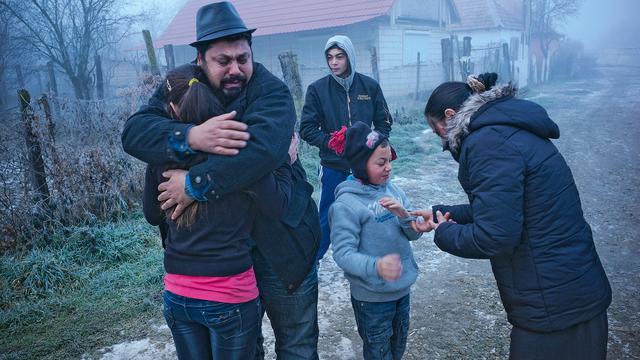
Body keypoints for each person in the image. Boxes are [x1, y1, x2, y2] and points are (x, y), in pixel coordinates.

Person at [121, 2, 320, 359]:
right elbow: (135, 133)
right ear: (200, 60)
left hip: (282, 242)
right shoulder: (183, 84)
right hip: (221, 257)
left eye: (243, 58)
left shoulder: (271, 92)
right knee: (247, 350)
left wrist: (193, 183)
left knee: (297, 348)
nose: (236, 69)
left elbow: (261, 154)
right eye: (223, 60)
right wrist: (192, 137)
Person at [412, 73, 611, 359]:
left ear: (450, 115)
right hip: (569, 290)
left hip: (554, 307)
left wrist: (444, 233)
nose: (441, 141)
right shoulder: (503, 130)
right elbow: (505, 208)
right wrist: (441, 213)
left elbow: (495, 236)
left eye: (436, 130)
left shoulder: (488, 143)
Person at [143, 63, 293, 359]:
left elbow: (151, 214)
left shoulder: (160, 157)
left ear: (172, 108)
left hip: (179, 293)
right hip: (230, 295)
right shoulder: (237, 152)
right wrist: (285, 161)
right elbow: (276, 206)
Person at [328, 122, 422, 360]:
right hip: (371, 299)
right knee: (379, 353)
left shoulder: (394, 191)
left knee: (397, 347)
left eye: (389, 160)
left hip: (402, 290)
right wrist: (376, 266)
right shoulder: (346, 205)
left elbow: (414, 233)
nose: (388, 168)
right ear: (361, 165)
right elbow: (343, 254)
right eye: (381, 163)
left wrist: (405, 216)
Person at [300, 35, 393, 262]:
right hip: (334, 165)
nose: (334, 62)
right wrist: (330, 142)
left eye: (339, 56)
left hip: (367, 166)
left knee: (376, 211)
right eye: (330, 57)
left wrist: (374, 142)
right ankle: (314, 262)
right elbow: (307, 128)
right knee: (328, 215)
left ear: (349, 57)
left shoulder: (369, 86)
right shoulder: (317, 89)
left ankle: (374, 257)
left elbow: (384, 122)